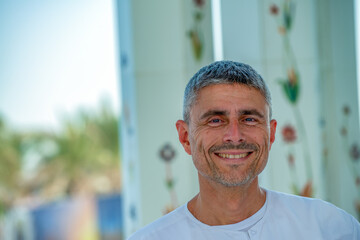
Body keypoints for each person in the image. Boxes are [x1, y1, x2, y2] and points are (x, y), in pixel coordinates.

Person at [128, 61, 360, 239]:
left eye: (249, 119)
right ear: (185, 137)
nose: (235, 136)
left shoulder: (329, 228)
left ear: (270, 134)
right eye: (215, 120)